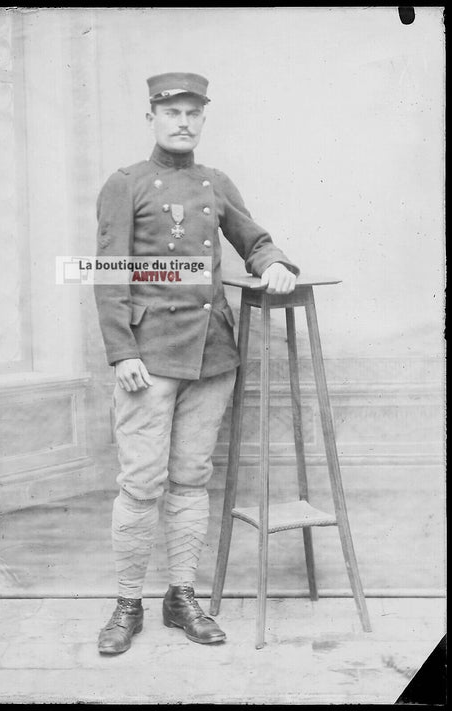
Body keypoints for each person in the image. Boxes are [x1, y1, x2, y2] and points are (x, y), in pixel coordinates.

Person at [94, 72, 299, 654]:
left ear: (203, 120)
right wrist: (121, 353)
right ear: (152, 118)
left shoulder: (216, 182)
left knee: (190, 479)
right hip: (148, 359)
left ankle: (181, 596)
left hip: (212, 356)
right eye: (172, 113)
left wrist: (275, 263)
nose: (182, 122)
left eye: (193, 113)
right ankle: (127, 602)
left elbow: (254, 239)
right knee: (140, 484)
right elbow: (108, 273)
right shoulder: (125, 184)